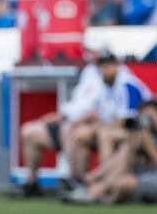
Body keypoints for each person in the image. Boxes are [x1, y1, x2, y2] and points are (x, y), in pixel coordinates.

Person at [66, 100, 157, 204]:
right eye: (143, 117)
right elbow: (132, 163)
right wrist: (134, 141)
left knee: (122, 182)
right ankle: (97, 187)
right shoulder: (150, 137)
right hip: (145, 179)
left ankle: (95, 192)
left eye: (150, 116)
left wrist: (149, 146)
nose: (147, 121)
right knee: (125, 151)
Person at [15, 52, 104, 197]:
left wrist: (76, 120)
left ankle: (75, 182)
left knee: (69, 130)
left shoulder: (112, 78)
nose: (90, 56)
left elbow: (101, 109)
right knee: (29, 131)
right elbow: (79, 103)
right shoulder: (89, 71)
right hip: (68, 119)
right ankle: (32, 183)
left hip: (87, 124)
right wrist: (60, 115)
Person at [64, 52, 151, 184]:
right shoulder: (103, 85)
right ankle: (78, 181)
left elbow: (122, 122)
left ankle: (106, 181)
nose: (105, 70)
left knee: (105, 135)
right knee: (80, 134)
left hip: (142, 132)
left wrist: (97, 127)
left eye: (108, 66)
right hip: (118, 129)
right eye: (102, 66)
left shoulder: (126, 84)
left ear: (116, 66)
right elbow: (96, 113)